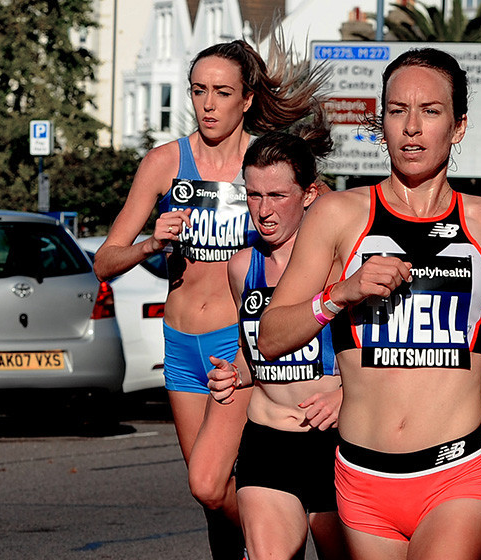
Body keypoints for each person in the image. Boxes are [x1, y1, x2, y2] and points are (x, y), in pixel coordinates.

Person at [255, 48, 481, 559]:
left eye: (430, 111)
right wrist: (340, 293)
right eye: (397, 111)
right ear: (381, 123)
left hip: (457, 474)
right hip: (363, 479)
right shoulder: (337, 214)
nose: (411, 127)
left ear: (458, 126)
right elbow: (271, 337)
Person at [93, 38, 325, 560]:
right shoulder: (164, 162)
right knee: (212, 500)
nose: (208, 104)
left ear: (247, 99)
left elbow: (330, 219)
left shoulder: (267, 162)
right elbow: (104, 261)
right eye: (199, 91)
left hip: (237, 343)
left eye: (222, 92)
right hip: (180, 344)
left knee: (210, 482)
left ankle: (279, 536)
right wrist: (151, 243)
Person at [193, 124, 349, 560]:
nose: (263, 211)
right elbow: (254, 353)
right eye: (253, 195)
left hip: (335, 443)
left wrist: (344, 395)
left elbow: (384, 359)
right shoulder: (242, 267)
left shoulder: (341, 268)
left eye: (277, 196)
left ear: (309, 194)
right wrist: (234, 374)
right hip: (268, 442)